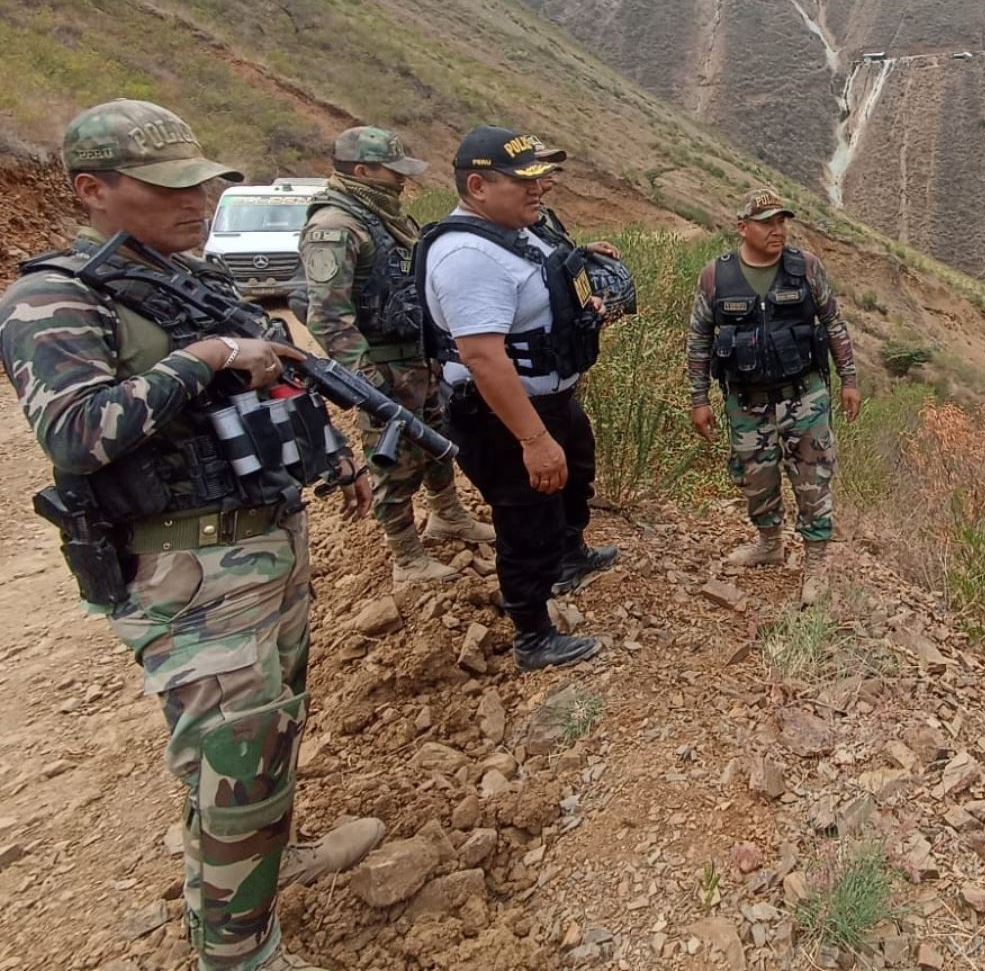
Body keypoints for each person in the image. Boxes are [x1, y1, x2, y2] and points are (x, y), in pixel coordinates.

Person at [0, 100, 384, 971]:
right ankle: (241, 952)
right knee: (236, 750)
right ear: (91, 189)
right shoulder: (53, 295)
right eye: (169, 188)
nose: (196, 203)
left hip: (260, 538)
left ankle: (261, 868)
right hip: (186, 562)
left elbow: (267, 388)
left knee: (261, 740)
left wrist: (331, 455)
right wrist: (206, 356)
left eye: (201, 185)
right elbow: (77, 431)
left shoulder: (188, 281)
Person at [416, 127, 621, 671]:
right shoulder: (468, 257)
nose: (540, 188)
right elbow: (483, 358)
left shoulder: (514, 233)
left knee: (574, 477)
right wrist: (533, 439)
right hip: (502, 416)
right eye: (524, 180)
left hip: (550, 399)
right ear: (478, 186)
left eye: (540, 177)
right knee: (526, 516)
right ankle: (533, 634)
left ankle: (570, 557)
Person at [300, 126, 494, 587]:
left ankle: (447, 514)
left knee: (436, 441)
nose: (402, 179)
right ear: (362, 171)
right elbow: (327, 318)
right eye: (393, 171)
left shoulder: (383, 216)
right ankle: (406, 556)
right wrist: (366, 382)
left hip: (417, 357)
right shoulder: (335, 226)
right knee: (396, 460)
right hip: (382, 366)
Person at [687, 189, 861, 607]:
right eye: (767, 222)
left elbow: (833, 323)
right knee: (756, 479)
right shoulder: (716, 276)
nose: (777, 230)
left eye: (782, 221)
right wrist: (699, 399)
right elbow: (699, 339)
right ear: (742, 227)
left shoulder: (806, 268)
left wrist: (849, 378)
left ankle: (815, 563)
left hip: (805, 397)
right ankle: (769, 544)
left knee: (813, 479)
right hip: (746, 401)